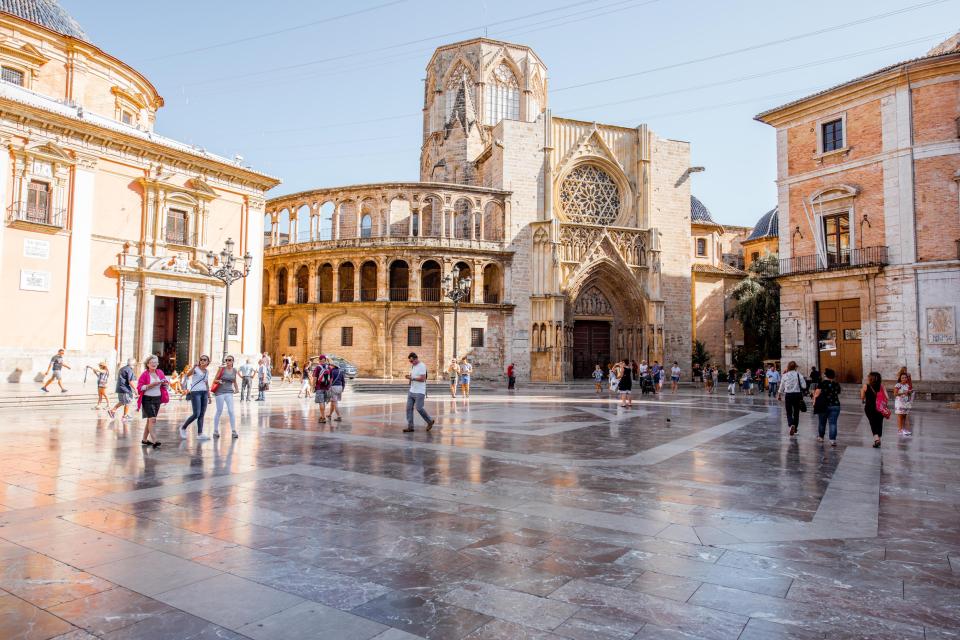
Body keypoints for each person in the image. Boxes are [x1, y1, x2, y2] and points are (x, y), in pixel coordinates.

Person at [136, 355, 168, 448]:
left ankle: (144, 439)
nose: (154, 364)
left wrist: (165, 385)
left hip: (157, 399)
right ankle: (155, 440)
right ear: (148, 364)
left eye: (156, 362)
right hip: (147, 399)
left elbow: (165, 384)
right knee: (153, 420)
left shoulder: (160, 372)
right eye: (152, 362)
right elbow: (139, 387)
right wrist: (150, 385)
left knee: (150, 420)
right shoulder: (144, 374)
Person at [179, 355, 211, 440]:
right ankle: (183, 428)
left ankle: (200, 434)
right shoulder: (196, 369)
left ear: (208, 362)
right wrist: (194, 367)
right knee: (196, 413)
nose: (202, 361)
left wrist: (209, 395)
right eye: (201, 359)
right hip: (195, 392)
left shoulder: (207, 371)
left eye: (205, 360)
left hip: (204, 393)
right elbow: (188, 375)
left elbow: (206, 383)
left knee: (202, 414)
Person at [404, 352, 434, 433]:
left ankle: (430, 421)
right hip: (412, 390)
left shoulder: (422, 366)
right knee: (408, 408)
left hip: (420, 391)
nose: (411, 362)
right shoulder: (413, 366)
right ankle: (410, 427)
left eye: (412, 361)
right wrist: (410, 379)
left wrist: (412, 378)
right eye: (410, 361)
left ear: (416, 359)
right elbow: (413, 376)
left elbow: (423, 379)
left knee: (419, 408)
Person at [212, 355, 240, 438]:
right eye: (227, 360)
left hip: (229, 392)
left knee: (231, 411)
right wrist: (219, 381)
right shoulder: (222, 369)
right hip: (220, 392)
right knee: (219, 410)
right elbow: (214, 380)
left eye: (230, 360)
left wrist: (237, 388)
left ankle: (234, 431)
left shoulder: (234, 370)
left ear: (232, 361)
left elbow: (234, 380)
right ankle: (215, 430)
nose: (228, 362)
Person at [813, 367, 842, 446]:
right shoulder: (836, 384)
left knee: (822, 422)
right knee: (833, 423)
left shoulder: (822, 383)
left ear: (826, 375)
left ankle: (821, 437)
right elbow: (838, 392)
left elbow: (816, 394)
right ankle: (832, 440)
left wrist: (814, 402)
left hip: (823, 405)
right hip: (835, 405)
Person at [777, 361, 807, 437]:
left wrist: (779, 395)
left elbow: (781, 386)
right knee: (796, 412)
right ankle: (795, 428)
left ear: (788, 367)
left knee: (789, 412)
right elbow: (804, 386)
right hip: (797, 395)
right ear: (795, 367)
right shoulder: (799, 375)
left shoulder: (785, 375)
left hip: (788, 395)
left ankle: (791, 425)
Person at [861, 371, 889, 448]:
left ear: (871, 378)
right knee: (879, 423)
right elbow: (887, 397)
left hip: (869, 407)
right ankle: (878, 439)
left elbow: (862, 397)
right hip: (880, 408)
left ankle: (876, 440)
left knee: (872, 422)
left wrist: (863, 395)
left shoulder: (866, 386)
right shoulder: (882, 386)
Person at [313, 355, 333, 423]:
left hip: (319, 387)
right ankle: (322, 416)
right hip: (327, 387)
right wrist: (329, 386)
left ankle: (323, 417)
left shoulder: (318, 367)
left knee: (321, 402)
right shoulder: (329, 367)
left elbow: (315, 378)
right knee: (323, 402)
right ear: (325, 360)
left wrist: (313, 387)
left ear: (319, 360)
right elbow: (331, 378)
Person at [894, 371, 913, 436]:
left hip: (906, 402)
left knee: (905, 416)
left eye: (905, 378)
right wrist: (903, 393)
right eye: (902, 378)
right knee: (900, 416)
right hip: (899, 402)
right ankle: (899, 430)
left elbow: (908, 393)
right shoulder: (898, 385)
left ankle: (903, 429)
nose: (904, 379)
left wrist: (910, 392)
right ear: (900, 378)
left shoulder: (907, 385)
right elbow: (895, 394)